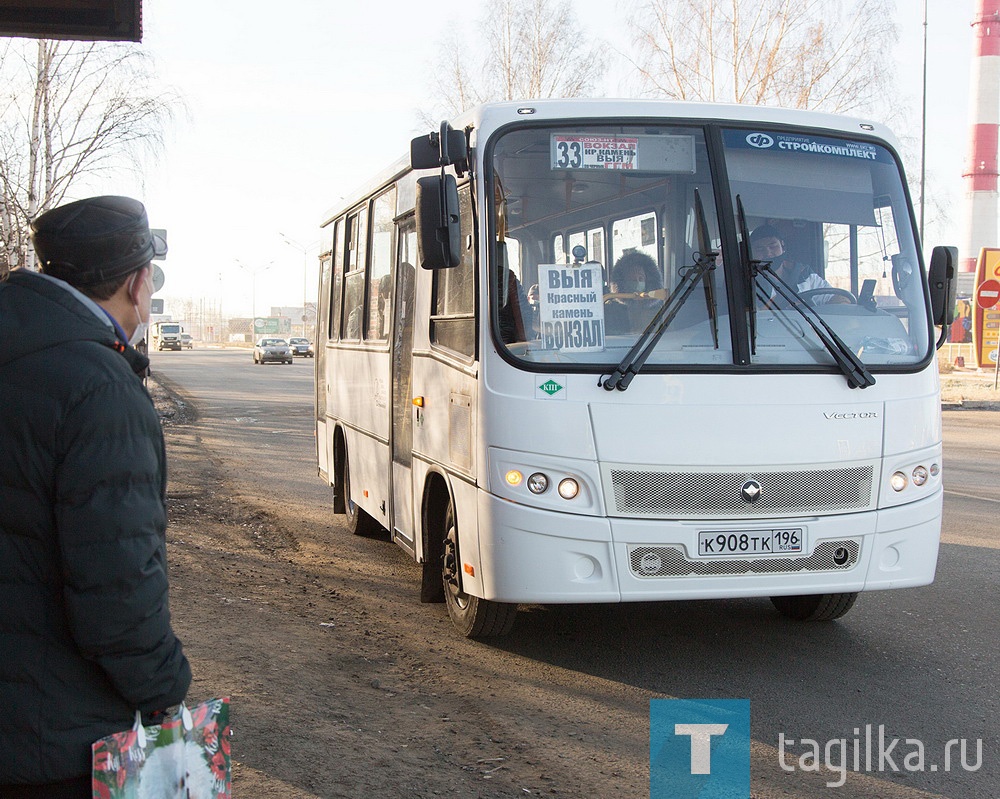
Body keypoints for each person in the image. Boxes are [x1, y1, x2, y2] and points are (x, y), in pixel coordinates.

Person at [0, 196, 192, 798]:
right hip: (57, 736)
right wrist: (166, 690)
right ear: (138, 285)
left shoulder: (20, 346)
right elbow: (116, 590)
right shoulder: (100, 388)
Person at [749, 224, 850, 306]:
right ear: (751, 253)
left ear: (783, 246)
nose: (768, 253)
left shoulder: (805, 275)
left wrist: (842, 304)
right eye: (760, 249)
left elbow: (835, 297)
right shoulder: (747, 281)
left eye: (773, 246)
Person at [605, 251, 662, 334]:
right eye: (632, 280)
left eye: (641, 278)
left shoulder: (658, 310)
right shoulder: (611, 310)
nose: (638, 283)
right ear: (623, 283)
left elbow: (669, 337)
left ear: (648, 282)